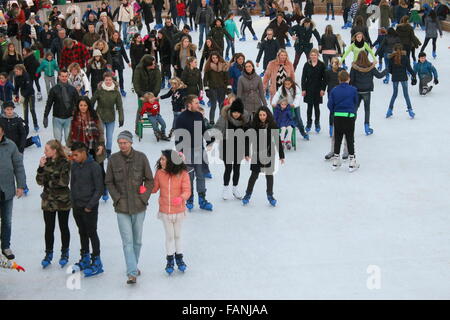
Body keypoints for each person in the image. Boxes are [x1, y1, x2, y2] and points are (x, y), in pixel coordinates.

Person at [105, 130, 154, 285]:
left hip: (139, 206)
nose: (122, 145)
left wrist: (143, 197)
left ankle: (133, 265)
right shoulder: (113, 160)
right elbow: (109, 182)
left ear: (131, 143)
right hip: (122, 207)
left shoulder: (141, 158)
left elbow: (149, 180)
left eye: (125, 143)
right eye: (120, 143)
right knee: (127, 241)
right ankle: (132, 272)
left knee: (137, 241)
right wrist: (117, 199)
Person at [151, 149, 191, 274]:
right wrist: (144, 188)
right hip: (165, 211)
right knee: (169, 236)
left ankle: (179, 258)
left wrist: (181, 198)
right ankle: (169, 260)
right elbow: (154, 188)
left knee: (177, 235)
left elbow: (187, 190)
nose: (160, 161)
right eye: (161, 158)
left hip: (178, 210)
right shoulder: (159, 173)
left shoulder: (183, 173)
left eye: (163, 159)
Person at [69, 141, 104, 276]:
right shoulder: (74, 166)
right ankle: (85, 257)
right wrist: (73, 201)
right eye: (72, 155)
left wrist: (90, 206)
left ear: (84, 153)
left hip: (89, 207)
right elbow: (72, 184)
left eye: (76, 155)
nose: (74, 157)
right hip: (77, 206)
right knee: (82, 232)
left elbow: (99, 189)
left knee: (91, 232)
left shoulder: (94, 167)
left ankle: (97, 260)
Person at [174, 95, 214, 211]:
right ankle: (189, 199)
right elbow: (178, 136)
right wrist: (180, 152)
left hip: (199, 150)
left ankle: (202, 199)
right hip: (187, 151)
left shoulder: (198, 116)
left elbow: (203, 130)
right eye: (196, 103)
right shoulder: (181, 118)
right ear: (189, 104)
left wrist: (209, 140)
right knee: (189, 177)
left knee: (201, 175)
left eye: (198, 102)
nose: (198, 105)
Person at [36, 139, 71, 268]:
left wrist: (48, 181)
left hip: (62, 200)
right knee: (49, 228)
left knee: (63, 227)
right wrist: (40, 167)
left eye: (47, 150)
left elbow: (64, 182)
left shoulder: (65, 162)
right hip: (48, 201)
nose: (44, 152)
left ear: (54, 151)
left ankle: (64, 252)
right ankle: (48, 253)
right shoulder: (45, 162)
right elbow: (39, 181)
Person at [242, 106, 285, 206]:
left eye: (264, 115)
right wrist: (247, 153)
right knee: (254, 175)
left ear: (267, 115)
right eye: (260, 115)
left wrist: (281, 156)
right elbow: (248, 140)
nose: (262, 117)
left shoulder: (272, 125)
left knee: (269, 175)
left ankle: (270, 195)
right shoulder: (254, 125)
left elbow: (278, 141)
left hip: (268, 154)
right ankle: (247, 195)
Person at [213, 97, 251, 200]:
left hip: (239, 146)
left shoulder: (245, 119)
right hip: (227, 145)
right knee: (228, 168)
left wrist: (247, 152)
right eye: (234, 112)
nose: (236, 114)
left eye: (238, 113)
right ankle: (225, 189)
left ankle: (235, 189)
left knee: (237, 168)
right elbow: (217, 129)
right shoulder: (225, 117)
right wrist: (210, 141)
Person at [0, 120, 26, 261]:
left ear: (3, 131)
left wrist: (21, 185)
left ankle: (5, 246)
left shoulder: (10, 145)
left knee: (7, 220)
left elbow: (18, 166)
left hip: (6, 190)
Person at [327, 70, 359, 172]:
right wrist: (353, 112)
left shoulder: (334, 90)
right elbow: (356, 102)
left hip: (338, 117)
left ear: (339, 79)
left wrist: (335, 111)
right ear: (348, 79)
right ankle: (352, 161)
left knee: (337, 138)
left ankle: (336, 160)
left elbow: (329, 105)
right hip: (349, 116)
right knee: (350, 138)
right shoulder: (353, 90)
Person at [350, 51, 387, 135]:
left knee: (355, 108)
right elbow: (379, 75)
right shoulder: (371, 67)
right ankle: (367, 127)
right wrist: (388, 69)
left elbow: (351, 80)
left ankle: (351, 125)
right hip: (366, 91)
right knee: (367, 109)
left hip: (357, 91)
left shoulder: (354, 67)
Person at [91, 72, 124, 158]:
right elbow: (92, 102)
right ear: (103, 80)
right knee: (101, 137)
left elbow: (119, 106)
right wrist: (91, 113)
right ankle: (100, 152)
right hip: (100, 116)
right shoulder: (99, 90)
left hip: (110, 117)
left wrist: (121, 117)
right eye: (106, 80)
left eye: (110, 80)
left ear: (112, 80)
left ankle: (108, 152)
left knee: (109, 137)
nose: (108, 81)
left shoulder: (116, 92)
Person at [43, 69, 79, 144]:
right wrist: (45, 116)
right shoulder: (54, 90)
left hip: (69, 118)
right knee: (57, 141)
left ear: (68, 76)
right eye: (62, 76)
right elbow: (49, 103)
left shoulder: (72, 89)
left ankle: (67, 155)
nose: (64, 78)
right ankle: (59, 155)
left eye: (66, 76)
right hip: (57, 118)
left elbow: (78, 103)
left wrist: (79, 116)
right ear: (59, 77)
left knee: (68, 140)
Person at [132, 54, 162, 134]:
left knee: (155, 111)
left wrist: (153, 94)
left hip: (153, 94)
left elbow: (158, 83)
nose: (154, 64)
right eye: (152, 63)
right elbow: (136, 84)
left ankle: (156, 130)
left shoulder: (156, 69)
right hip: (143, 95)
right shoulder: (138, 69)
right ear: (147, 65)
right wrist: (143, 95)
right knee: (140, 111)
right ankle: (137, 129)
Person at [386, 44, 417, 119]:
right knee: (406, 95)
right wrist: (414, 75)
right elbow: (409, 68)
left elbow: (389, 69)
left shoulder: (391, 57)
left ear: (394, 49)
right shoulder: (405, 57)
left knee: (394, 94)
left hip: (395, 78)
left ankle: (389, 110)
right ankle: (410, 110)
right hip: (403, 77)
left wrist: (394, 73)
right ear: (402, 49)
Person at [301, 48, 326, 133]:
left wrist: (323, 89)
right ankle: (308, 123)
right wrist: (303, 89)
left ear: (317, 55)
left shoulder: (322, 65)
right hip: (309, 88)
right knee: (309, 107)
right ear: (309, 56)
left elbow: (324, 79)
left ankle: (317, 123)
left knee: (317, 107)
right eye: (312, 55)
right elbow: (303, 78)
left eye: (315, 55)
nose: (313, 56)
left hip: (318, 89)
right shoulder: (306, 64)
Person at [203, 52, 231, 124]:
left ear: (218, 58)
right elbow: (205, 79)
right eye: (213, 58)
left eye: (216, 57)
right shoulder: (209, 67)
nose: (215, 59)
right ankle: (211, 121)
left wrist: (228, 87)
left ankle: (221, 121)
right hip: (213, 88)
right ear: (211, 59)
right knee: (213, 105)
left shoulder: (223, 66)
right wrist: (206, 89)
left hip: (222, 88)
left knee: (221, 105)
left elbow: (227, 78)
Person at [13, 64, 38, 132]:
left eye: (17, 71)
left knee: (32, 109)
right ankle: (26, 125)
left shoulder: (27, 76)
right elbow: (16, 87)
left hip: (30, 94)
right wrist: (15, 95)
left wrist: (23, 96)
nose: (16, 73)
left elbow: (29, 87)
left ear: (21, 70)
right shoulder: (16, 77)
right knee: (25, 110)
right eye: (15, 71)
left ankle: (35, 124)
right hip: (23, 94)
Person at [109, 31, 131, 97]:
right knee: (113, 77)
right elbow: (107, 52)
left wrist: (128, 62)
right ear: (112, 35)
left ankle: (122, 89)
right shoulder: (109, 42)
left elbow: (123, 52)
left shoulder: (120, 42)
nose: (116, 36)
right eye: (114, 35)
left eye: (117, 35)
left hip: (119, 61)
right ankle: (113, 89)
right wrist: (112, 50)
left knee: (121, 77)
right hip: (112, 62)